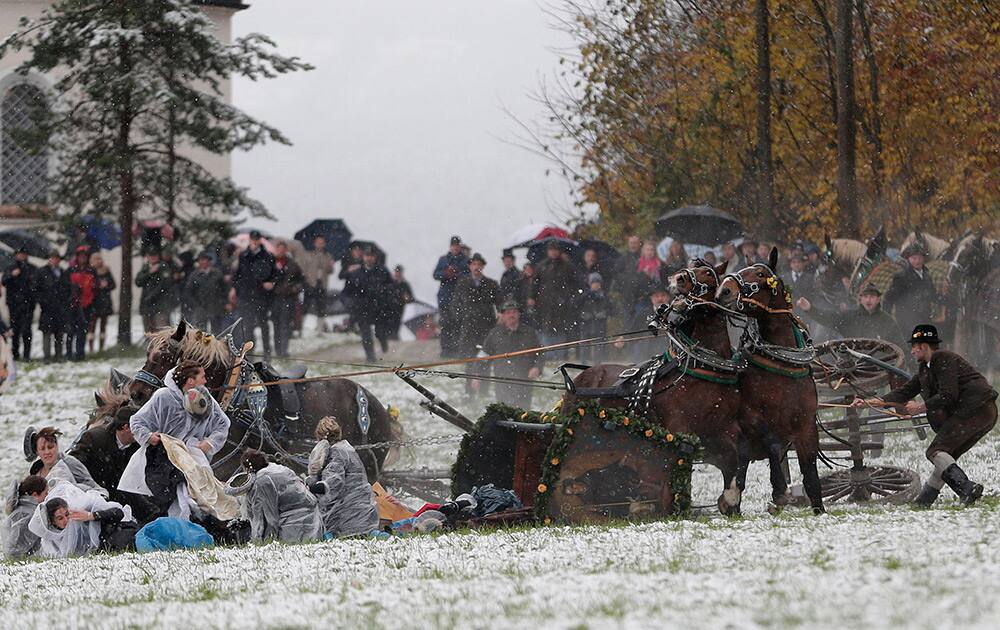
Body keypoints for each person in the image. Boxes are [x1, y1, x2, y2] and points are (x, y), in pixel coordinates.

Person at [854, 325, 998, 507]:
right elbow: (904, 392)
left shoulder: (943, 359)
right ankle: (924, 501)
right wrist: (872, 402)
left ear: (924, 346)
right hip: (982, 413)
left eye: (915, 346)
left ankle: (967, 488)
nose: (912, 351)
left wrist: (920, 407)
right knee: (945, 455)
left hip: (975, 410)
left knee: (935, 451)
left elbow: (948, 394)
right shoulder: (925, 369)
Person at [126, 361, 231, 518]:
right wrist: (149, 436)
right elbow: (137, 421)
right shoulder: (163, 397)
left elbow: (222, 423)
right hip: (162, 457)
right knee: (166, 498)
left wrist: (210, 442)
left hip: (191, 456)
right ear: (190, 380)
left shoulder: (205, 397)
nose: (205, 381)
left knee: (201, 495)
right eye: (202, 377)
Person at [69, 407, 158, 524]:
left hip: (123, 492)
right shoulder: (94, 438)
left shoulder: (138, 446)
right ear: (126, 428)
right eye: (138, 426)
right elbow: (74, 465)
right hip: (93, 494)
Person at [306, 417, 379, 537]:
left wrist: (309, 488)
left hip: (348, 516)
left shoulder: (336, 453)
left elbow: (332, 484)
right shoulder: (345, 449)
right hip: (362, 512)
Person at [238, 449, 323, 543]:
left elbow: (268, 517)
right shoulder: (278, 468)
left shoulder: (262, 481)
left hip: (293, 522)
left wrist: (259, 541)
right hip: (311, 514)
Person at [28, 483, 136, 557]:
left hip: (121, 534)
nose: (66, 519)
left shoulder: (81, 510)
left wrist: (92, 516)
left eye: (67, 514)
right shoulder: (51, 540)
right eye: (60, 518)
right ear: (52, 522)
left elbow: (118, 513)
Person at [481, 299, 544, 409]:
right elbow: (484, 356)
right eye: (508, 313)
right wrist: (477, 375)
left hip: (524, 382)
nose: (511, 315)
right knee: (504, 412)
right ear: (503, 316)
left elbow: (540, 353)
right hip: (502, 381)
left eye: (514, 312)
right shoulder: (495, 334)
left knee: (523, 413)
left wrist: (537, 368)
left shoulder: (529, 332)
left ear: (519, 314)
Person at [797, 284, 901, 342]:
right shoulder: (850, 317)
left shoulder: (887, 321)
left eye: (872, 296)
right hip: (852, 365)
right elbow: (829, 318)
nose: (869, 300)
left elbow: (900, 345)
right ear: (860, 299)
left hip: (880, 368)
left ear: (878, 299)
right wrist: (810, 309)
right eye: (866, 296)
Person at [883, 244, 941, 346]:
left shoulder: (926, 275)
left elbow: (932, 295)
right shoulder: (901, 276)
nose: (917, 261)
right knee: (912, 346)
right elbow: (889, 298)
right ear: (908, 259)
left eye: (919, 258)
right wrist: (887, 318)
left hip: (924, 317)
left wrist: (945, 299)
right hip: (906, 319)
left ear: (923, 259)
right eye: (914, 258)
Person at [232, 230, 276, 356]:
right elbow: (238, 274)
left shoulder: (267, 256)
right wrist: (236, 288)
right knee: (248, 325)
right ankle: (249, 352)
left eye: (257, 239)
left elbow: (273, 274)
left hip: (261, 295)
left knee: (263, 324)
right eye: (253, 239)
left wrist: (269, 282)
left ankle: (267, 351)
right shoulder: (244, 255)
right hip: (246, 295)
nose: (255, 242)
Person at [343, 246, 391, 361]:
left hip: (379, 307)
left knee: (380, 332)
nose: (369, 258)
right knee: (366, 333)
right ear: (363, 257)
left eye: (371, 256)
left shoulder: (382, 271)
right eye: (367, 256)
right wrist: (348, 302)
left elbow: (391, 286)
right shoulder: (356, 273)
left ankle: (383, 341)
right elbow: (346, 291)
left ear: (374, 257)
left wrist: (385, 294)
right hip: (362, 308)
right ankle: (370, 356)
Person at [25, 426, 106, 495]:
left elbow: (91, 485)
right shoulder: (35, 472)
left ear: (57, 446)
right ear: (37, 452)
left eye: (50, 447)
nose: (47, 452)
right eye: (42, 449)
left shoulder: (69, 462)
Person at [531, 240, 577, 351]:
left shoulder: (567, 266)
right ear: (548, 252)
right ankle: (546, 353)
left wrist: (569, 296)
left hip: (562, 303)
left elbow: (574, 283)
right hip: (544, 302)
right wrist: (532, 297)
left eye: (555, 250)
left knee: (560, 327)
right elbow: (535, 283)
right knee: (544, 327)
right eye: (551, 250)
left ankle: (560, 352)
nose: (553, 253)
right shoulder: (541, 266)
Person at [433, 236, 470, 357]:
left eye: (457, 245)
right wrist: (446, 274)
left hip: (459, 298)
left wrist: (456, 274)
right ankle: (446, 350)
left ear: (460, 246)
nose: (455, 247)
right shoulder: (443, 259)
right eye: (453, 245)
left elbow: (468, 275)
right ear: (450, 246)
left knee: (458, 323)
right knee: (446, 324)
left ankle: (458, 349)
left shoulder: (465, 260)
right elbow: (436, 274)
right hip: (445, 298)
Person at [34, 251, 71, 362]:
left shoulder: (63, 272)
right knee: (47, 333)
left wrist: (65, 302)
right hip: (47, 308)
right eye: (53, 258)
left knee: (59, 333)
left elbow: (68, 289)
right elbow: (36, 289)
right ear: (49, 259)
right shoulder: (41, 272)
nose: (55, 260)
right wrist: (43, 301)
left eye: (57, 258)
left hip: (60, 308)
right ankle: (47, 357)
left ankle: (59, 355)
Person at [270, 240, 304, 358]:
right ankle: (277, 350)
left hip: (288, 298)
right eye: (278, 249)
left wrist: (295, 288)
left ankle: (283, 351)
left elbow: (301, 280)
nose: (281, 251)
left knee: (285, 324)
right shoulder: (271, 262)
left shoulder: (293, 264)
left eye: (283, 249)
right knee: (276, 325)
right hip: (274, 298)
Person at [2, 247, 35, 361]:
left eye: (23, 254)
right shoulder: (11, 268)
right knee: (14, 330)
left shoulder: (31, 268)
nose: (21, 256)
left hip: (28, 304)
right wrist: (12, 275)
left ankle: (27, 355)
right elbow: (4, 281)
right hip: (14, 304)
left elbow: (36, 285)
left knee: (27, 330)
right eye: (19, 254)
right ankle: (15, 354)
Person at [3, 475, 46, 559]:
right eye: (45, 493)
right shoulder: (28, 515)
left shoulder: (23, 509)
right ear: (35, 495)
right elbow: (14, 550)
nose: (47, 496)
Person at [184, 251, 228, 333]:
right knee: (200, 333)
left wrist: (223, 302)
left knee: (217, 332)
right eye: (201, 260)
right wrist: (196, 305)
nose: (204, 262)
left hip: (216, 307)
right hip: (200, 308)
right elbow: (188, 292)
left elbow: (224, 289)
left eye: (205, 260)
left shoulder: (217, 273)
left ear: (209, 261)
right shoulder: (194, 275)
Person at [65, 245, 97, 361]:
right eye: (80, 256)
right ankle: (69, 354)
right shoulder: (71, 271)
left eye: (84, 256)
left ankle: (80, 354)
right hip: (73, 305)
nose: (82, 258)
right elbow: (64, 287)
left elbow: (95, 288)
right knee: (70, 331)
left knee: (82, 331)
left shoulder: (91, 271)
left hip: (86, 306)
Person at [299, 235, 335, 332]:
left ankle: (320, 329)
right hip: (310, 284)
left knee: (321, 307)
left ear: (324, 244)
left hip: (322, 284)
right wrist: (305, 281)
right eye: (318, 242)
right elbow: (303, 269)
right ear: (315, 243)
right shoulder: (308, 254)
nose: (320, 244)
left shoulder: (328, 256)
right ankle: (300, 328)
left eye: (322, 243)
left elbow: (330, 271)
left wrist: (331, 265)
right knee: (305, 306)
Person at [135, 250, 176, 333]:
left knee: (163, 331)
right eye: (150, 256)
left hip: (160, 304)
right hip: (147, 305)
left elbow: (165, 284)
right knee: (149, 332)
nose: (153, 258)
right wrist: (149, 273)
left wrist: (152, 296)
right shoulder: (146, 267)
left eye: (154, 255)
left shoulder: (163, 266)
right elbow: (138, 282)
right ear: (147, 256)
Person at [577, 273, 612, 364]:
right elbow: (576, 305)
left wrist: (604, 314)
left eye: (597, 282)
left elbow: (612, 309)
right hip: (586, 324)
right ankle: (584, 363)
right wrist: (584, 315)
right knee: (584, 345)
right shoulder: (585, 295)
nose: (596, 285)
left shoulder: (604, 296)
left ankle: (597, 363)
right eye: (593, 282)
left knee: (599, 346)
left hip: (599, 325)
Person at [88, 252, 116, 353]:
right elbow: (89, 286)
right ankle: (91, 348)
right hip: (94, 302)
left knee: (103, 325)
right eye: (96, 259)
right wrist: (98, 286)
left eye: (99, 259)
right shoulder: (90, 271)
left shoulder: (106, 270)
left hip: (105, 302)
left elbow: (113, 285)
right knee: (92, 325)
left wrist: (106, 285)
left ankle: (101, 347)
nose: (98, 261)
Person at [380, 265, 413, 342]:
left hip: (399, 308)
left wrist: (407, 298)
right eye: (396, 271)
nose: (398, 273)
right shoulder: (389, 283)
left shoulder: (405, 284)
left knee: (396, 323)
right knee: (388, 323)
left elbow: (410, 298)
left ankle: (394, 337)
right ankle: (389, 337)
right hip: (388, 308)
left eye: (399, 272)